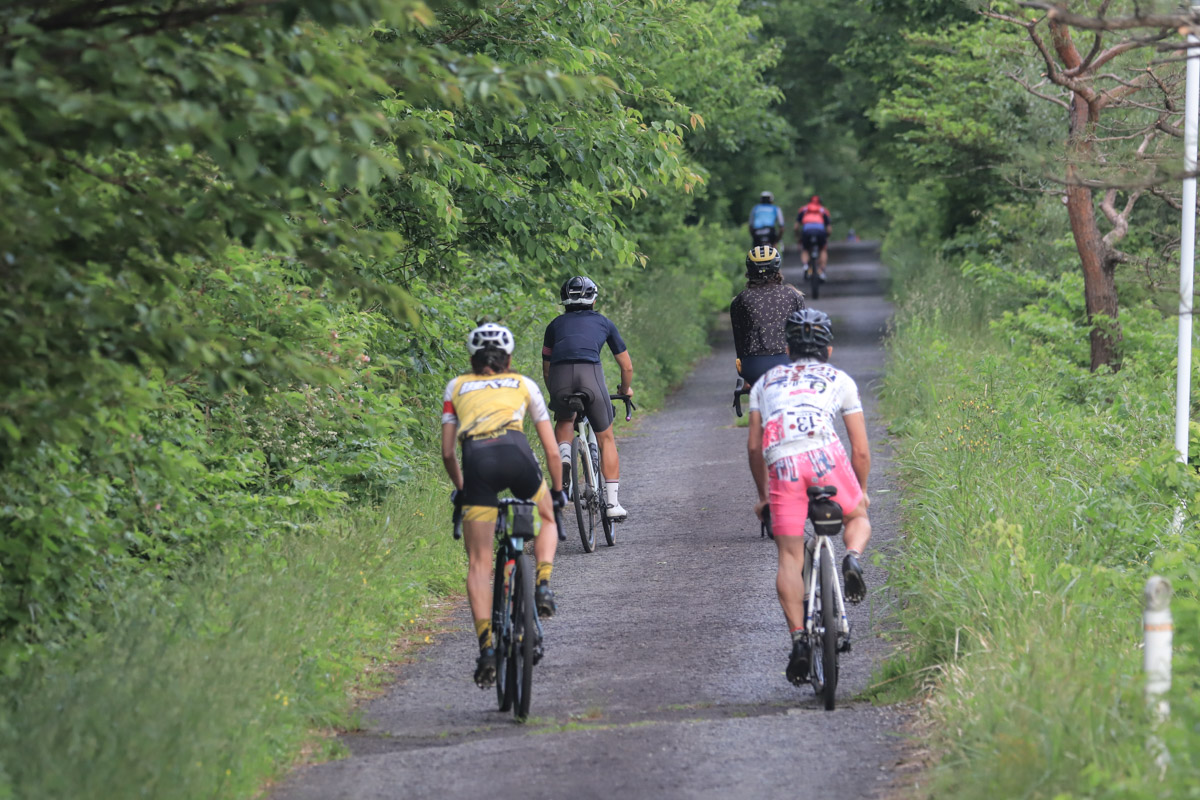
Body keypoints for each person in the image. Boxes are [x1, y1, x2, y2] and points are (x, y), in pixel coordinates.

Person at [746, 308, 871, 686]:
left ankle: (799, 640)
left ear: (787, 347)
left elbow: (754, 447)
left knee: (789, 554)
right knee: (857, 516)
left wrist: (763, 495)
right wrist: (860, 493)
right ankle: (852, 558)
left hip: (782, 463)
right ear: (828, 349)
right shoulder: (840, 379)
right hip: (823, 455)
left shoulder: (764, 383)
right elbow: (861, 450)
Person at [441, 323, 567, 688]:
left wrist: (463, 488)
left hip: (477, 462)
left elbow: (448, 451)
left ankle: (486, 650)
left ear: (472, 357)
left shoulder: (457, 386)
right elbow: (550, 449)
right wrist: (556, 493)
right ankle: (542, 584)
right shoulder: (524, 384)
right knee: (546, 518)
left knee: (480, 563)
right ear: (509, 358)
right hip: (517, 455)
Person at [542, 276, 634, 520]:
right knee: (606, 439)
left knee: (563, 421)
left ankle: (564, 457)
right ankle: (613, 504)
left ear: (564, 301)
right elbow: (626, 367)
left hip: (560, 378)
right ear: (594, 299)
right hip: (590, 376)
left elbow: (547, 369)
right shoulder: (604, 323)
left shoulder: (554, 325)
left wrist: (555, 392)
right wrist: (625, 389)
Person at [730, 245, 805, 387]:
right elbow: (801, 335)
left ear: (749, 269)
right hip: (787, 363)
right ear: (777, 268)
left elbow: (740, 342)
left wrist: (745, 373)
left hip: (754, 367)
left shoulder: (741, 300)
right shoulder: (794, 295)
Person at [794, 195, 832, 280]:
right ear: (820, 202)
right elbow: (829, 229)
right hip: (820, 231)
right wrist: (826, 237)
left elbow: (796, 227)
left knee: (805, 249)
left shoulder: (803, 209)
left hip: (806, 231)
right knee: (822, 249)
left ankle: (805, 265)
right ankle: (821, 270)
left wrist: (798, 237)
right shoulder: (823, 210)